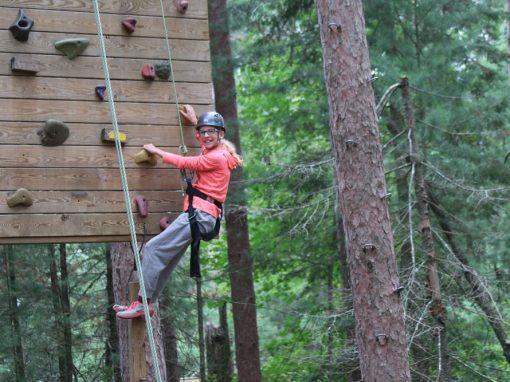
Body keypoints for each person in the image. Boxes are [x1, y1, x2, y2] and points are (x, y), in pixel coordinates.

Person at [115, 111, 242, 319]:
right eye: (203, 132)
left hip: (200, 215)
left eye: (211, 131)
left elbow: (186, 163)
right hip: (204, 216)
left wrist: (155, 150)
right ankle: (148, 302)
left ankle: (142, 304)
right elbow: (205, 146)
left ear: (220, 135)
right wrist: (195, 122)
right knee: (168, 257)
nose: (206, 135)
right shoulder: (219, 151)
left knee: (153, 248)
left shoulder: (217, 158)